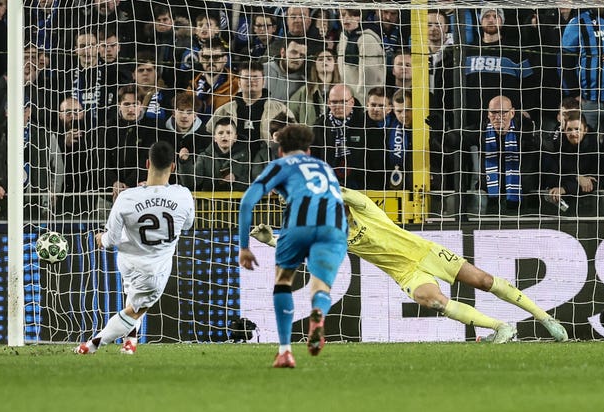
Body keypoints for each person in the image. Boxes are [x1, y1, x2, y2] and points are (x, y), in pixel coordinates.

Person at [250, 187, 569, 344]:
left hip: (425, 252)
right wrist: (271, 240)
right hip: (406, 272)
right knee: (431, 300)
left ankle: (545, 318)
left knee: (484, 280)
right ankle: (501, 327)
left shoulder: (363, 208)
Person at [238, 124, 348, 368]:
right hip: (334, 226)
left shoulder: (280, 165)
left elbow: (247, 203)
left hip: (298, 225)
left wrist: (244, 246)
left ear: (280, 151)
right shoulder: (324, 166)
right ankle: (318, 313)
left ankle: (285, 350)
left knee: (283, 280)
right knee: (321, 287)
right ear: (308, 151)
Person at [75, 140, 195, 355]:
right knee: (136, 310)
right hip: (154, 269)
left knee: (135, 298)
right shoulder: (183, 195)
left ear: (147, 164)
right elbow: (187, 225)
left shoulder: (127, 197)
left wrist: (101, 238)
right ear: (173, 167)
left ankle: (130, 342)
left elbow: (110, 240)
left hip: (128, 262)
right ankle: (91, 345)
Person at [562, 8, 604, 138]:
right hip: (588, 102)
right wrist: (573, 93)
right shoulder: (579, 22)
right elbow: (564, 60)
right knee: (588, 146)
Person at [185, 117, 251, 192]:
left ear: (235, 137)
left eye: (229, 133)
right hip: (209, 202)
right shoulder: (203, 157)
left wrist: (236, 179)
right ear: (214, 138)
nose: (224, 136)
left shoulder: (245, 156)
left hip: (236, 203)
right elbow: (192, 183)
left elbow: (251, 182)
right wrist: (184, 162)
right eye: (220, 133)